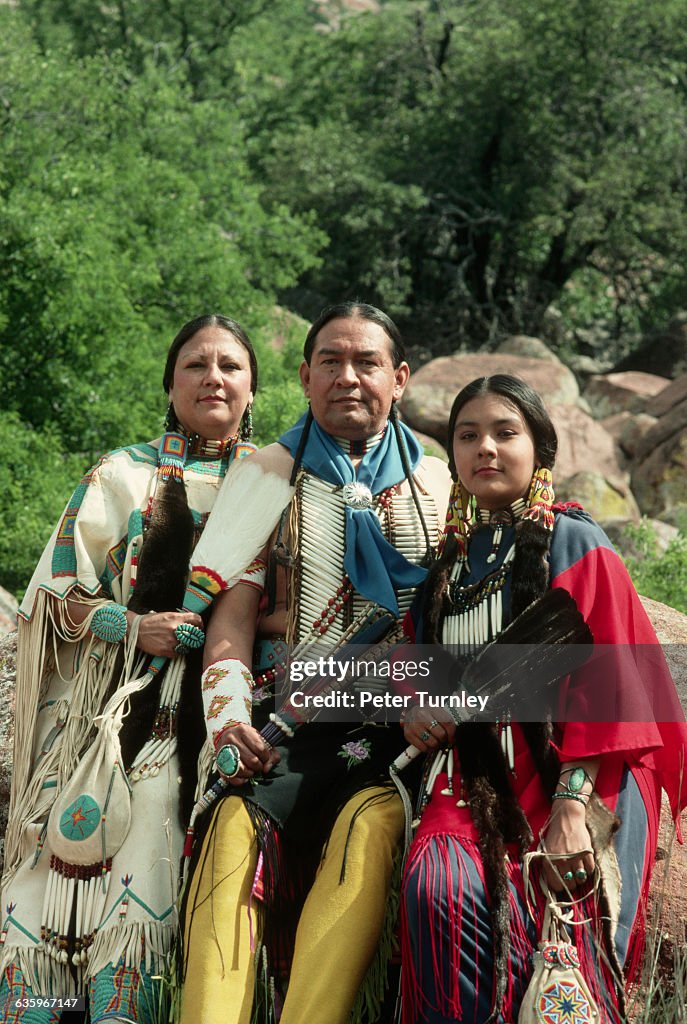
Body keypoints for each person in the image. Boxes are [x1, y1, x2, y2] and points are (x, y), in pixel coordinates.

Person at [177, 302, 452, 1024]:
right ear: (303, 376)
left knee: (369, 827)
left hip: (389, 733)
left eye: (366, 363)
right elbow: (231, 618)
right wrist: (228, 720)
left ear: (399, 379)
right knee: (232, 827)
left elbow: (457, 625)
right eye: (330, 361)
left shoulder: (436, 482)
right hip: (288, 718)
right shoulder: (268, 472)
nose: (347, 377)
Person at [398, 374, 687, 1024]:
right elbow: (416, 661)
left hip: (573, 763)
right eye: (467, 436)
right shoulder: (446, 568)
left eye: (505, 433)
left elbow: (612, 680)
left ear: (540, 451)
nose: (485, 449)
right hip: (474, 773)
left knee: (563, 939)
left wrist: (569, 809)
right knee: (438, 888)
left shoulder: (573, 541)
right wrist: (412, 702)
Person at [0, 314, 259, 1024]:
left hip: (207, 731)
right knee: (35, 905)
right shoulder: (121, 475)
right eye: (195, 366)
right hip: (97, 723)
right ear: (169, 384)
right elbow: (50, 600)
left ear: (253, 388)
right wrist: (128, 626)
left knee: (143, 902)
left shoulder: (271, 488)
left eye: (230, 367)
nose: (213, 378)